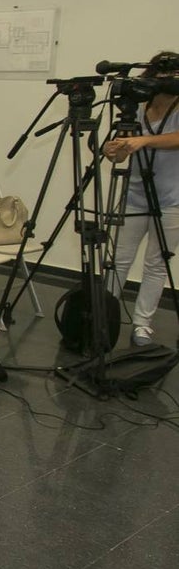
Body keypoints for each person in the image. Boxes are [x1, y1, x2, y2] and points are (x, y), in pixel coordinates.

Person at [105, 50, 179, 347]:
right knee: (119, 259)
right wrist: (116, 150)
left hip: (172, 199)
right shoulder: (136, 107)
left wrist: (144, 140)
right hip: (135, 195)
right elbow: (124, 150)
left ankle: (142, 324)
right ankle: (105, 317)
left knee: (156, 264)